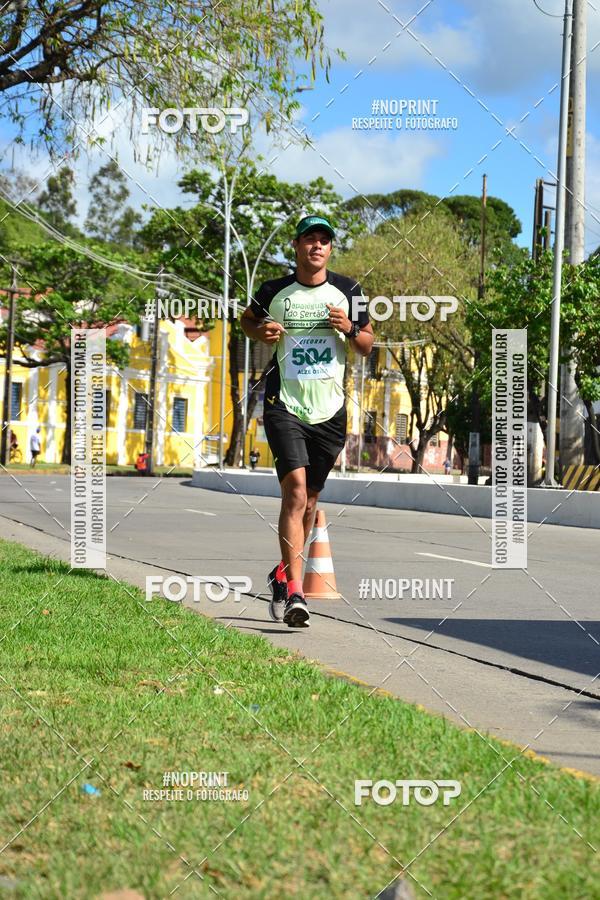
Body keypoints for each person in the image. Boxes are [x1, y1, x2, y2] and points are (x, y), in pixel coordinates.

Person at [241, 214, 374, 627]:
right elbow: (247, 320)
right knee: (295, 493)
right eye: (310, 239)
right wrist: (260, 332)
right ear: (296, 246)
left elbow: (367, 344)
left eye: (324, 240)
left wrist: (349, 328)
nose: (317, 246)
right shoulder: (274, 291)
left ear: (330, 249)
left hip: (330, 412)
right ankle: (297, 594)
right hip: (284, 404)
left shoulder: (350, 291)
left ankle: (282, 575)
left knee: (312, 503)